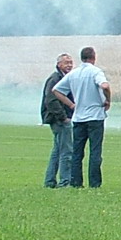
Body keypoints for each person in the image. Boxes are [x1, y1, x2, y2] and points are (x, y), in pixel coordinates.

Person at [51, 46, 111, 188]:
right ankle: (94, 183)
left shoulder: (74, 73)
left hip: (79, 118)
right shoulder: (96, 71)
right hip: (95, 116)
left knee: (77, 152)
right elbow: (104, 85)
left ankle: (76, 182)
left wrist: (72, 105)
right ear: (93, 57)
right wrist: (108, 100)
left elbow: (56, 90)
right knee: (95, 152)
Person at [41, 52, 74, 188]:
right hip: (59, 120)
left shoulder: (63, 77)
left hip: (58, 119)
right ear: (59, 64)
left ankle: (49, 181)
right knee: (67, 151)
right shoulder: (55, 79)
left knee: (57, 151)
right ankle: (65, 182)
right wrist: (63, 117)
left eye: (71, 62)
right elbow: (51, 100)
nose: (70, 65)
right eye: (66, 63)